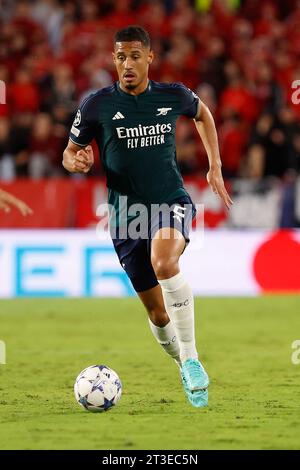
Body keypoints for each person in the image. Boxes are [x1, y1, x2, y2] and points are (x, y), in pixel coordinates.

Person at [63, 25, 233, 408]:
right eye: (121, 56)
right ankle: (183, 363)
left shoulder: (172, 95)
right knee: (158, 314)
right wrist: (76, 161)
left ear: (149, 58)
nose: (127, 63)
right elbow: (69, 152)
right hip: (125, 216)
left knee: (164, 261)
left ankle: (191, 359)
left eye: (135, 56)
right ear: (114, 60)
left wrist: (215, 166)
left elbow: (203, 113)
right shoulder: (96, 105)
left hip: (168, 200)